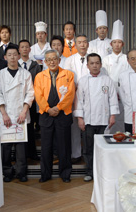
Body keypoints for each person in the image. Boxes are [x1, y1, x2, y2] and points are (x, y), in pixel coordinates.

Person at [74, 53, 119, 182]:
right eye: (92, 63)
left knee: (104, 147)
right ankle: (89, 171)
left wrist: (113, 116)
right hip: (88, 120)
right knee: (88, 148)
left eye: (97, 63)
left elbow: (112, 99)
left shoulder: (107, 80)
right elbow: (79, 101)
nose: (94, 65)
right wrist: (80, 118)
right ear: (87, 65)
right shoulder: (83, 81)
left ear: (100, 64)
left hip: (104, 119)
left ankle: (103, 172)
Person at [0, 45, 35, 182]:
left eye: (14, 54)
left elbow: (30, 94)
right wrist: (4, 114)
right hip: (5, 115)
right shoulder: (0, 75)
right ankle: (7, 172)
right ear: (5, 57)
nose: (12, 57)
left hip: (20, 115)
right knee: (5, 147)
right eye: (9, 55)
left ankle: (21, 172)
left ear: (19, 56)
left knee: (21, 147)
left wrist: (24, 111)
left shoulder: (26, 74)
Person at [34, 49, 75, 183]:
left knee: (64, 146)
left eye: (54, 59)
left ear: (59, 60)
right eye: (49, 60)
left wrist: (58, 107)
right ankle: (45, 174)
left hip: (63, 114)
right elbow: (38, 95)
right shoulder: (39, 76)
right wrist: (47, 109)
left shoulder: (68, 74)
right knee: (46, 147)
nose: (52, 62)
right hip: (46, 116)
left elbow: (70, 95)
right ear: (45, 62)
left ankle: (65, 174)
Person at [64, 34, 90, 164]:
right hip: (74, 97)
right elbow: (67, 79)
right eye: (79, 42)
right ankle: (76, 153)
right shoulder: (69, 60)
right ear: (76, 44)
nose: (82, 44)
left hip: (90, 98)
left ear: (88, 44)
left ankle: (89, 153)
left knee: (89, 126)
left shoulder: (92, 59)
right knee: (74, 127)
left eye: (84, 42)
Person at [102, 20, 129, 132]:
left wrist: (121, 92)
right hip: (109, 94)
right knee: (110, 122)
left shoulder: (127, 58)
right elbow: (104, 78)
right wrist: (113, 93)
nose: (117, 45)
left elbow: (128, 78)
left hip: (124, 95)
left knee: (122, 122)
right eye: (114, 42)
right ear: (111, 44)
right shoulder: (106, 59)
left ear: (122, 44)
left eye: (119, 42)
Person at [18, 39, 41, 161]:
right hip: (17, 101)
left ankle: (32, 152)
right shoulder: (15, 64)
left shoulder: (35, 65)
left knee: (30, 126)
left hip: (31, 100)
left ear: (30, 49)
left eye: (27, 47)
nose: (25, 49)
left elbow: (38, 83)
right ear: (19, 50)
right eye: (22, 47)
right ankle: (21, 153)